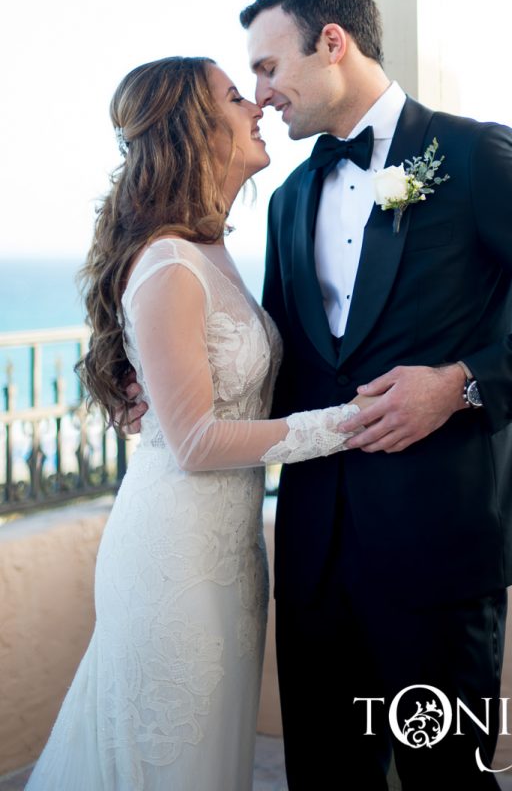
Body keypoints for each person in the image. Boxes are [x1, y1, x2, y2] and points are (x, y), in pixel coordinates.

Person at [239, 0, 512, 790]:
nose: (260, 92)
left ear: (333, 43)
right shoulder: (290, 195)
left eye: (270, 67)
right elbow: (285, 362)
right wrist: (167, 396)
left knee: (448, 780)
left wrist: (461, 384)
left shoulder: (475, 153)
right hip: (315, 549)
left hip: (441, 548)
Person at [26, 55, 369, 791]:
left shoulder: (211, 248)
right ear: (194, 128)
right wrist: (352, 423)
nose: (259, 108)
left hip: (232, 562)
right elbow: (197, 441)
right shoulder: (169, 265)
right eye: (237, 96)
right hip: (171, 565)